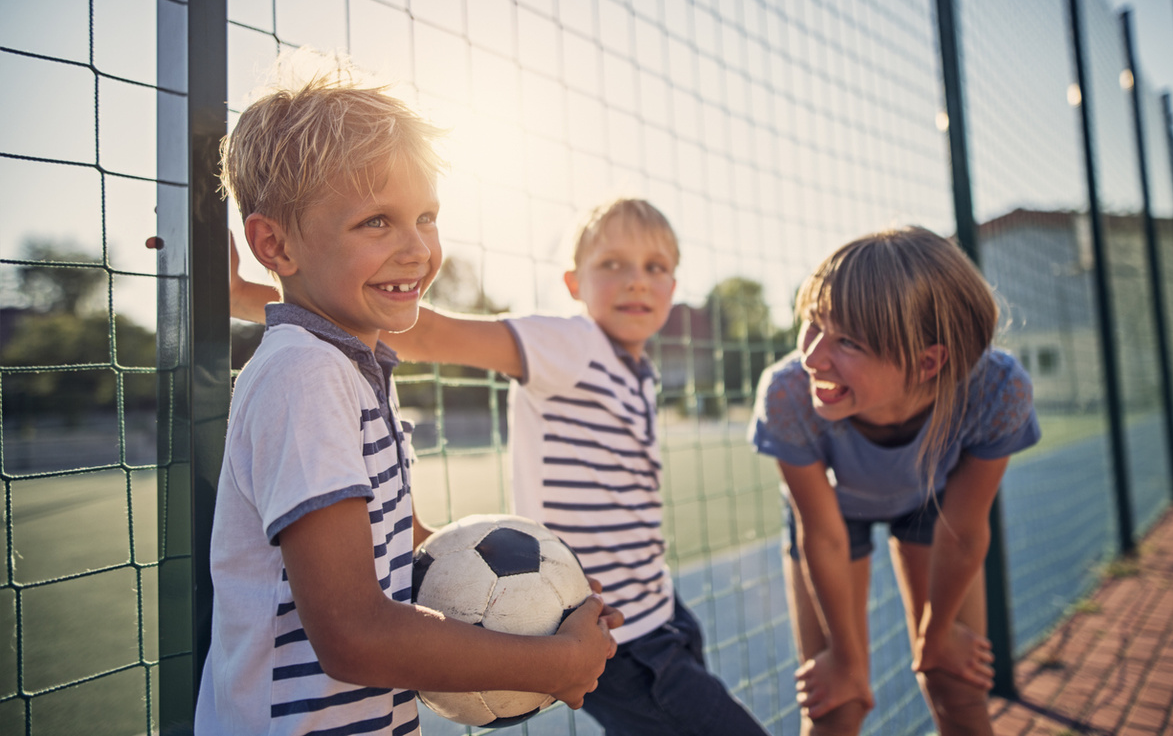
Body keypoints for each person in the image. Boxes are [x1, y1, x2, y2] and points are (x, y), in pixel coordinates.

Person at [231, 197, 771, 735]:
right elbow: (425, 332)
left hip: (660, 607)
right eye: (613, 265)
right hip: (616, 639)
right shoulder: (569, 343)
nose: (636, 282)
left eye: (655, 268)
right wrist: (242, 295)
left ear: (674, 288)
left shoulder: (640, 370)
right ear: (573, 284)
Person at [198, 59, 621, 736]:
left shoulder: (352, 366)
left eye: (426, 216)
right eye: (377, 222)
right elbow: (353, 632)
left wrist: (552, 603)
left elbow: (403, 552)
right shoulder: (304, 375)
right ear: (274, 243)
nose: (418, 248)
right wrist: (550, 662)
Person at [749, 226, 1041, 736]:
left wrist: (939, 633)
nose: (813, 357)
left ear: (929, 361)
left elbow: (964, 531)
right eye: (813, 324)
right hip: (831, 517)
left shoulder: (997, 390)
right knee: (834, 707)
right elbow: (822, 533)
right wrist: (844, 657)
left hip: (931, 504)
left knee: (958, 688)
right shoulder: (788, 393)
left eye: (848, 342)